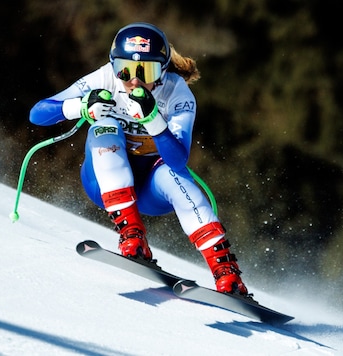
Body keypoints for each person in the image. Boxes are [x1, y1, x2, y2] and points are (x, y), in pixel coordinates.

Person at [29, 22, 248, 295]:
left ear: (163, 70)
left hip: (150, 189)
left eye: (147, 71)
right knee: (104, 129)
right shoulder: (105, 77)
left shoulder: (176, 93)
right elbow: (37, 113)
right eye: (125, 70)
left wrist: (153, 119)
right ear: (113, 65)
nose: (134, 80)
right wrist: (80, 106)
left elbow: (178, 160)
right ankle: (132, 235)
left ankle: (226, 272)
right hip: (103, 181)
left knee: (177, 178)